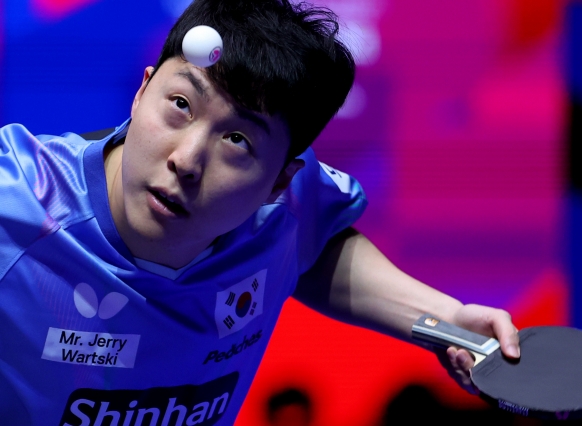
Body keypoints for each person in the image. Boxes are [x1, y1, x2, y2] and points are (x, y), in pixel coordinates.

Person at [0, 0, 519, 424]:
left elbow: (316, 246)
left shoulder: (288, 205)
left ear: (279, 179)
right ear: (142, 89)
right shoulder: (19, 201)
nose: (186, 160)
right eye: (180, 104)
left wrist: (446, 321)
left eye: (237, 139)